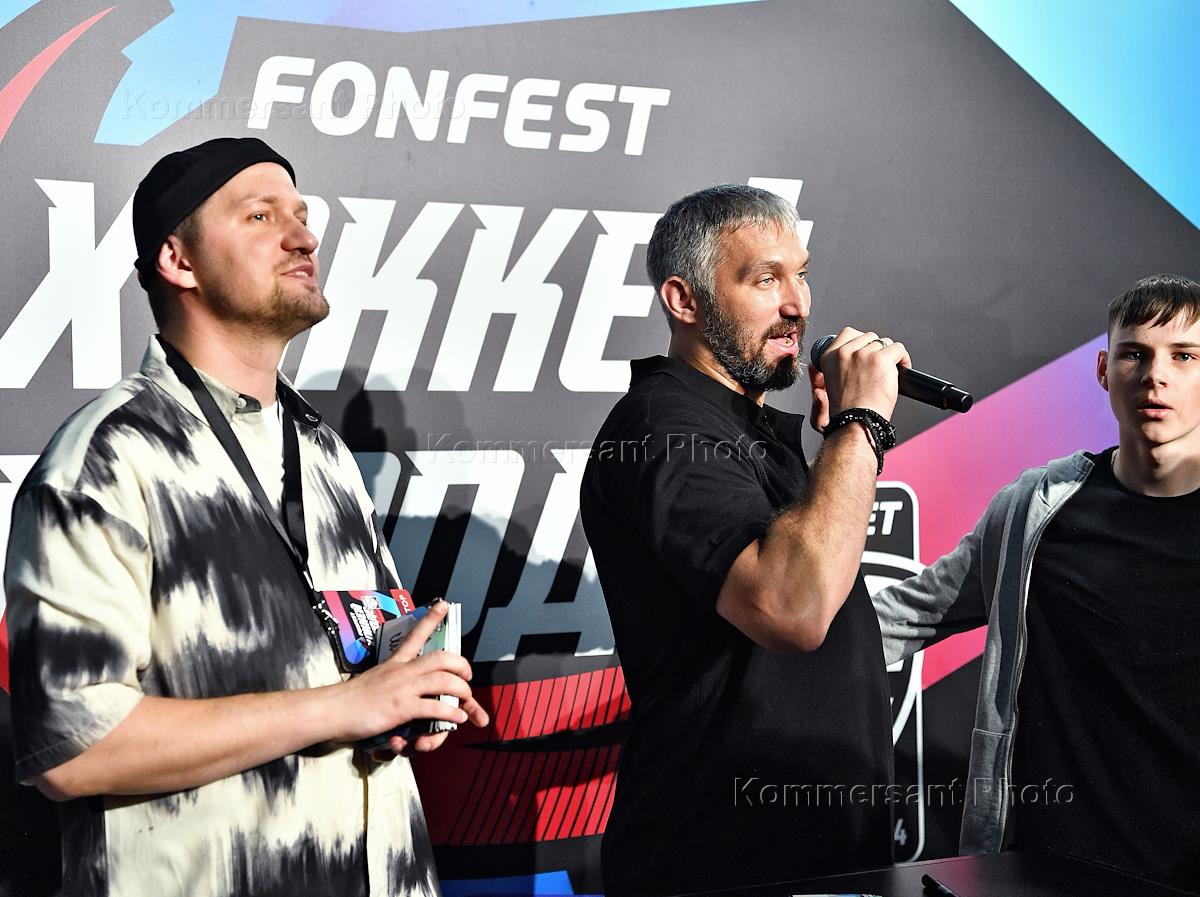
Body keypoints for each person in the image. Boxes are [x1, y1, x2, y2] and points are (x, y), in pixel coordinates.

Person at [4, 137, 488, 897]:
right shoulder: (103, 458)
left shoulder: (322, 448)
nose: (303, 238)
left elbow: (354, 656)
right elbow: (72, 746)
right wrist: (343, 706)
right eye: (261, 216)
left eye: (302, 215)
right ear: (179, 261)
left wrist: (404, 695)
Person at [580, 184, 913, 896]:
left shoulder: (749, 428)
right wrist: (861, 426)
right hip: (719, 866)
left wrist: (836, 447)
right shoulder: (663, 429)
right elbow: (794, 608)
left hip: (825, 861)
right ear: (684, 300)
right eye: (766, 279)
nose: (798, 304)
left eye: (802, 274)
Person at [872, 274, 1200, 893]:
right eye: (1135, 354)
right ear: (1104, 370)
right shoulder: (1037, 507)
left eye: (1184, 356)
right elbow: (908, 614)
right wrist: (748, 645)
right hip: (1042, 869)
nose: (1155, 376)